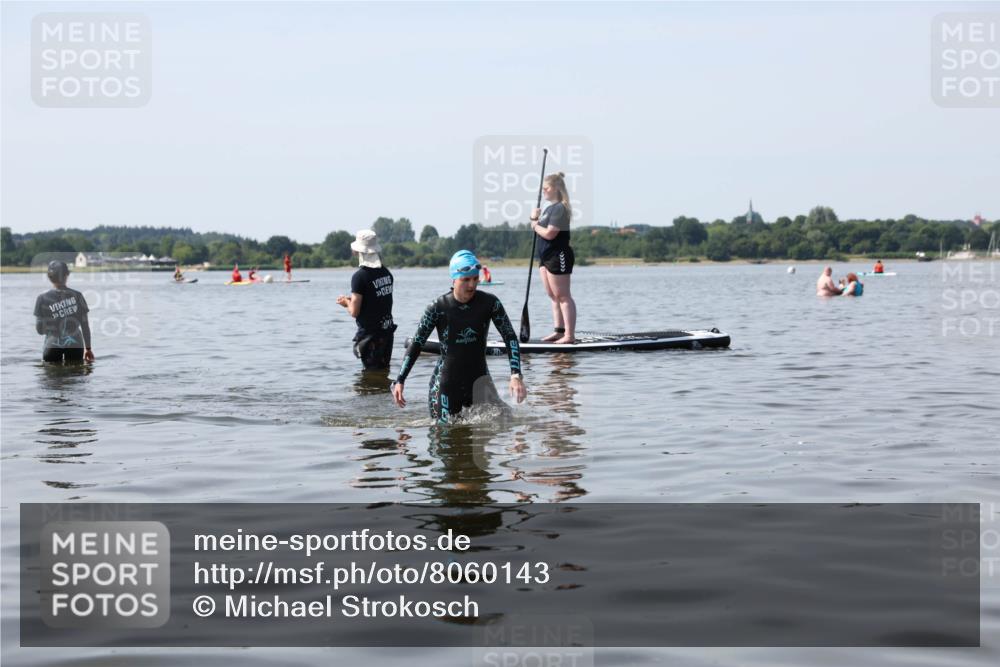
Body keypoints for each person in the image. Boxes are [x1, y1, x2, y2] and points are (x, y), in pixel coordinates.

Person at [392, 250, 526, 423]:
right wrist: (400, 380)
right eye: (465, 280)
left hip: (480, 381)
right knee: (444, 437)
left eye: (475, 279)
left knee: (509, 421)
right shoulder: (437, 308)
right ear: (454, 279)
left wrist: (516, 375)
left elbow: (510, 337)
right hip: (446, 386)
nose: (471, 285)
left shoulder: (490, 303)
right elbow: (417, 343)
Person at [337, 229, 397, 369]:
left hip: (371, 338)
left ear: (358, 252)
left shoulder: (360, 276)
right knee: (383, 373)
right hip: (387, 334)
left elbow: (354, 312)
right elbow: (377, 301)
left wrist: (346, 302)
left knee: (371, 377)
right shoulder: (386, 273)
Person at [531, 171, 577, 343]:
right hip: (544, 257)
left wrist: (534, 225)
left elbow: (550, 234)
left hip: (559, 255)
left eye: (546, 188)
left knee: (563, 296)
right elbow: (539, 228)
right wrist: (534, 218)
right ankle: (559, 331)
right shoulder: (549, 209)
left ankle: (569, 335)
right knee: (553, 296)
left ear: (556, 188)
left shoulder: (560, 208)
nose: (543, 191)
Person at [34, 260, 94, 363]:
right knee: (76, 377)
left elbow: (39, 330)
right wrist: (88, 349)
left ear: (49, 277)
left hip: (52, 344)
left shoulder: (42, 298)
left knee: (51, 376)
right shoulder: (78, 296)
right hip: (75, 344)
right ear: (67, 275)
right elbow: (85, 326)